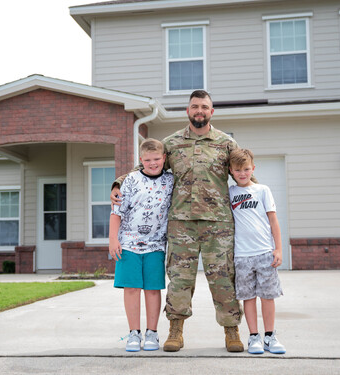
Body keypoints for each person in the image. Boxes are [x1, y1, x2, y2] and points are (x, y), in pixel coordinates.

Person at [111, 90, 244, 352]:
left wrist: (258, 197)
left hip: (218, 225)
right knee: (180, 279)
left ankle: (231, 331)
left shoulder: (227, 143)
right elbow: (149, 166)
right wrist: (118, 183)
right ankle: (175, 330)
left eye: (204, 107)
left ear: (211, 112)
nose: (199, 111)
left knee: (223, 279)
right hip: (181, 225)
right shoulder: (171, 144)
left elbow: (243, 172)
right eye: (195, 106)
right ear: (188, 111)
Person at [109, 138, 174, 352]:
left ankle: (152, 333)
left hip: (156, 245)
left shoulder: (170, 181)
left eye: (157, 159)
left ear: (164, 158)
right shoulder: (130, 180)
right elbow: (117, 211)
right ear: (140, 160)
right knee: (132, 288)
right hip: (128, 244)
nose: (153, 163)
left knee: (153, 289)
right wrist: (113, 239)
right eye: (148, 160)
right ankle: (134, 333)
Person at [228, 148, 286, 354]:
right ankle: (254, 337)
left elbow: (273, 222)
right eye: (237, 170)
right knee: (248, 297)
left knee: (267, 296)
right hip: (242, 256)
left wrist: (278, 249)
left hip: (264, 253)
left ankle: (270, 336)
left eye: (245, 169)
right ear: (231, 171)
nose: (242, 173)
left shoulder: (263, 190)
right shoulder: (230, 193)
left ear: (252, 168)